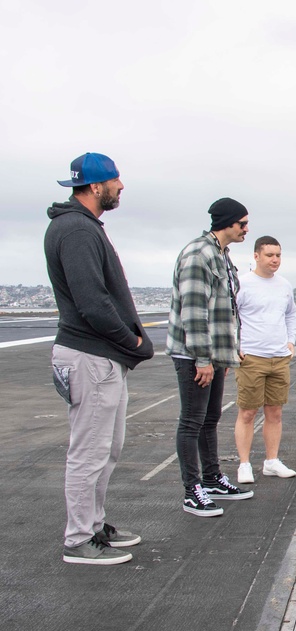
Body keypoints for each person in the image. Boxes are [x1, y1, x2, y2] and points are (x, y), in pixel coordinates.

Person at [46, 153, 154, 565]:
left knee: (107, 449)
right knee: (89, 452)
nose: (121, 186)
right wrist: (133, 342)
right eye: (114, 179)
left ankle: (93, 525)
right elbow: (93, 303)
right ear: (95, 186)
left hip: (102, 357)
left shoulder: (82, 226)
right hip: (90, 356)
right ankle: (78, 540)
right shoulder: (75, 230)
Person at [166, 198, 254, 517]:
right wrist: (203, 358)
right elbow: (194, 312)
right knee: (191, 421)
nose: (246, 229)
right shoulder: (198, 255)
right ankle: (192, 491)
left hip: (213, 355)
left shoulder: (222, 254)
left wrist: (227, 355)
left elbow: (227, 308)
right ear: (228, 223)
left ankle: (212, 478)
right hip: (194, 354)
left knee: (210, 418)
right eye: (242, 223)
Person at [234, 235, 296, 484]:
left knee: (275, 412)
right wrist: (235, 346)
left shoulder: (284, 285)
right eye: (270, 255)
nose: (275, 260)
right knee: (247, 412)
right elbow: (232, 317)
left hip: (279, 357)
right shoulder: (243, 284)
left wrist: (290, 341)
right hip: (252, 357)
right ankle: (244, 464)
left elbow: (291, 314)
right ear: (256, 256)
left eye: (278, 255)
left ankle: (271, 461)